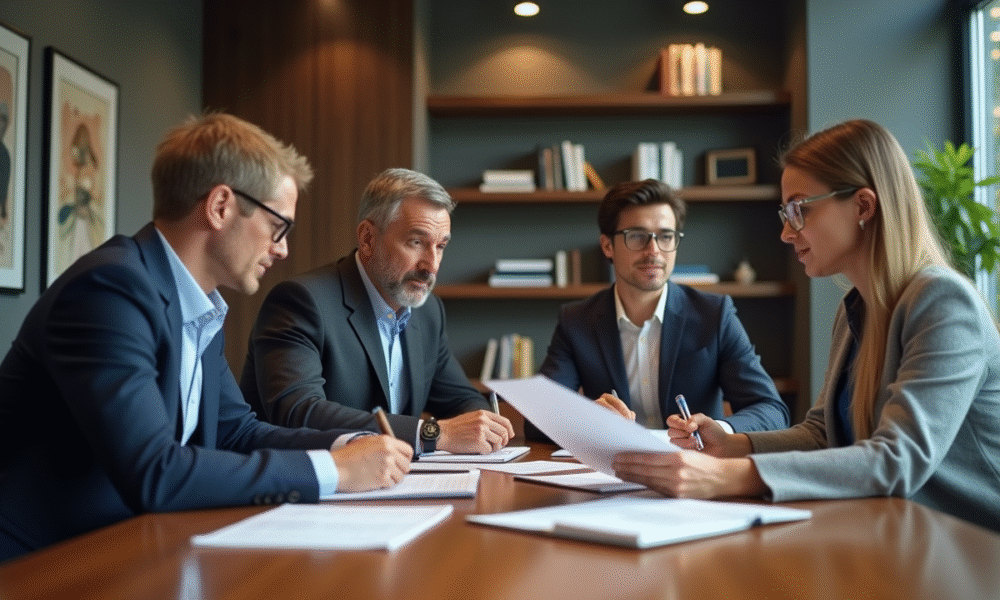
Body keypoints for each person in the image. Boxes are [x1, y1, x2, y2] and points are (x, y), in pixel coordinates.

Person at [0, 113, 413, 561]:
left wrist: (346, 446)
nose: (283, 248)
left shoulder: (198, 305)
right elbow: (154, 472)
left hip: (121, 550)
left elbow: (237, 431)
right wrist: (333, 470)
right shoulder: (109, 292)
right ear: (220, 206)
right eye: (279, 227)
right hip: (37, 563)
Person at [613, 119, 1000, 532]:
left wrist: (726, 476)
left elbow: (897, 459)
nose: (785, 232)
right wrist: (732, 446)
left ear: (864, 206)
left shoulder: (942, 302)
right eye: (786, 212)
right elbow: (824, 433)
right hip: (897, 531)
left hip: (971, 548)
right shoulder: (856, 311)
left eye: (799, 210)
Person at [241, 167, 514, 454]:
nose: (431, 266)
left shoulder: (428, 311)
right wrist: (431, 433)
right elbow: (299, 412)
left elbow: (463, 400)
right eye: (416, 242)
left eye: (440, 246)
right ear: (368, 238)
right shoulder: (302, 301)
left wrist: (483, 426)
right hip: (306, 485)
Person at [526, 179, 788, 441]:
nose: (654, 251)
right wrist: (587, 419)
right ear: (608, 246)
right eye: (638, 236)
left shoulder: (714, 314)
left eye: (665, 236)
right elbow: (535, 419)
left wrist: (721, 430)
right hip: (612, 471)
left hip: (693, 470)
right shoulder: (576, 321)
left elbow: (771, 410)